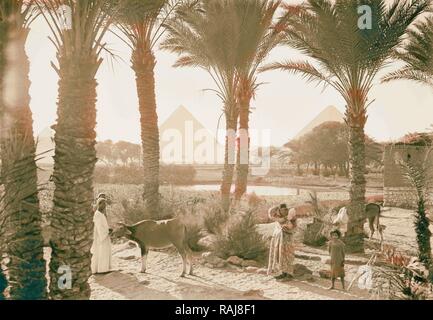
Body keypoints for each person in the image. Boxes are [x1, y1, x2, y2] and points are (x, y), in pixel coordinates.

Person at [267, 203, 297, 280]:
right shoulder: (280, 218)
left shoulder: (291, 218)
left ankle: (289, 275)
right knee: (280, 257)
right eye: (282, 210)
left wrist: (287, 227)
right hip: (279, 241)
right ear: (279, 210)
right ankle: (283, 273)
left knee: (288, 257)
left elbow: (293, 229)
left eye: (286, 210)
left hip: (287, 241)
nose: (284, 211)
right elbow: (271, 214)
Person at [91, 198, 113, 274]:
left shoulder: (101, 214)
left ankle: (104, 269)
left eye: (105, 204)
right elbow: (99, 227)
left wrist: (108, 229)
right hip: (100, 237)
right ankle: (100, 270)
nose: (105, 205)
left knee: (104, 252)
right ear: (99, 204)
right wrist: (106, 232)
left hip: (104, 235)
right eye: (103, 204)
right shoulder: (97, 214)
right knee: (100, 252)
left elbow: (103, 226)